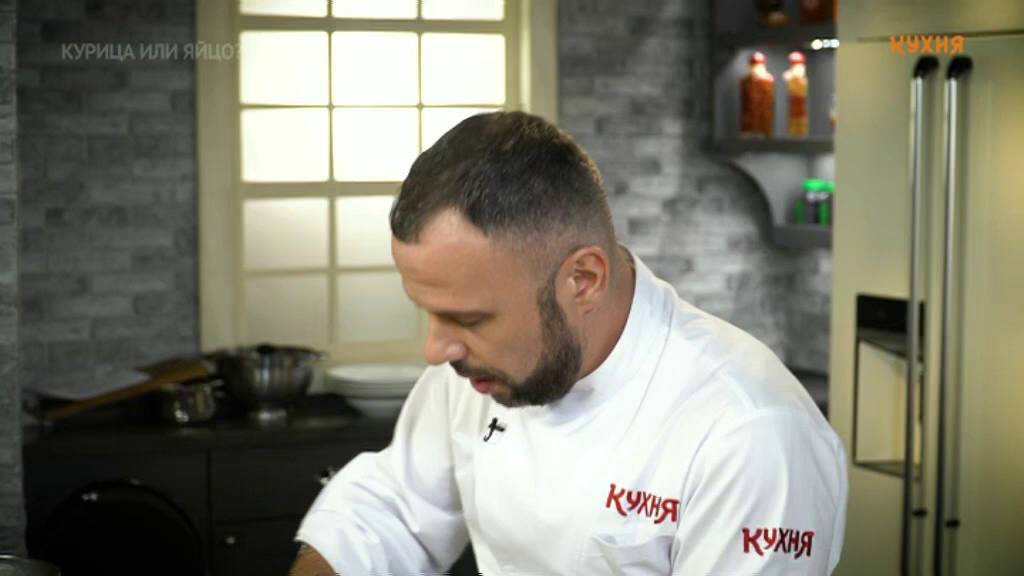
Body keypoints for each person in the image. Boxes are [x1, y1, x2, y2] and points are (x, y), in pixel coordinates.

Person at [290, 111, 848, 575]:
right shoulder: (479, 368)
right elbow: (390, 512)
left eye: (470, 318)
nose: (436, 351)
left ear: (583, 280)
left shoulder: (749, 433)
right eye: (430, 314)